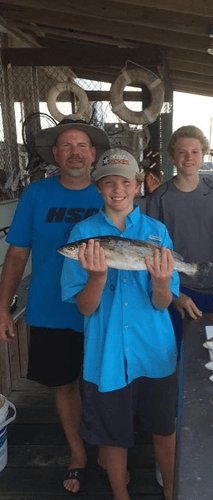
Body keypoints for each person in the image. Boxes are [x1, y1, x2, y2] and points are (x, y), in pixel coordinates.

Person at [0, 116, 110, 495]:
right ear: (55, 154)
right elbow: (16, 254)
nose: (75, 152)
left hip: (103, 309)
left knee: (104, 384)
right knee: (64, 386)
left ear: (93, 154)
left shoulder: (109, 193)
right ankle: (78, 454)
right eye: (67, 146)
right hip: (50, 308)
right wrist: (3, 306)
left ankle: (112, 457)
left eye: (82, 146)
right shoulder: (36, 194)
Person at [61, 148, 179, 500]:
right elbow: (84, 308)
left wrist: (161, 282)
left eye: (125, 182)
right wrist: (96, 277)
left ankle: (173, 491)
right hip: (107, 355)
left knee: (163, 427)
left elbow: (163, 301)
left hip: (155, 350)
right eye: (108, 183)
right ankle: (120, 494)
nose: (117, 190)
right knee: (112, 433)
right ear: (98, 188)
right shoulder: (82, 233)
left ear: (137, 185)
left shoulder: (157, 233)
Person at [146, 125, 213, 354]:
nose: (189, 158)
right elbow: (152, 249)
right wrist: (173, 293)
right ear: (173, 157)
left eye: (195, 152)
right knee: (176, 352)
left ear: (204, 154)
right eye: (182, 152)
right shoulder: (160, 197)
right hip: (179, 288)